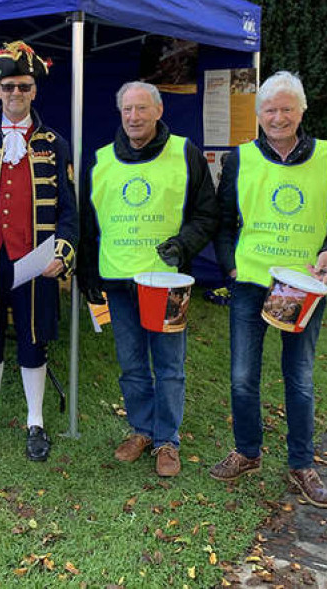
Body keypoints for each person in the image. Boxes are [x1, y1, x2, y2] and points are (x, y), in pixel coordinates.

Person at [210, 71, 327, 507]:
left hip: (302, 288)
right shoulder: (240, 159)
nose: (278, 117)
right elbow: (223, 222)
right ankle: (247, 451)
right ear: (258, 114)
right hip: (253, 283)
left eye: (286, 108)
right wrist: (230, 266)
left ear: (302, 110)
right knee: (242, 376)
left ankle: (301, 464)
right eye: (270, 109)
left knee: (299, 377)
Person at [78, 81, 219, 477]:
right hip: (119, 282)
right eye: (128, 110)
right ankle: (141, 430)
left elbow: (207, 214)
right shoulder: (102, 160)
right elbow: (88, 224)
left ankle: (167, 440)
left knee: (170, 364)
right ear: (120, 114)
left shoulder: (185, 153)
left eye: (142, 109)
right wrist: (89, 273)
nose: (134, 118)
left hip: (167, 283)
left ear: (158, 112)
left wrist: (184, 244)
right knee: (132, 363)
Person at [0, 41, 77, 462]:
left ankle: (35, 420)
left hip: (37, 259)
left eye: (23, 86)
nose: (16, 94)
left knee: (33, 338)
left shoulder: (55, 144)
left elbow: (70, 211)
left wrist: (62, 252)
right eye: (8, 87)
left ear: (34, 90)